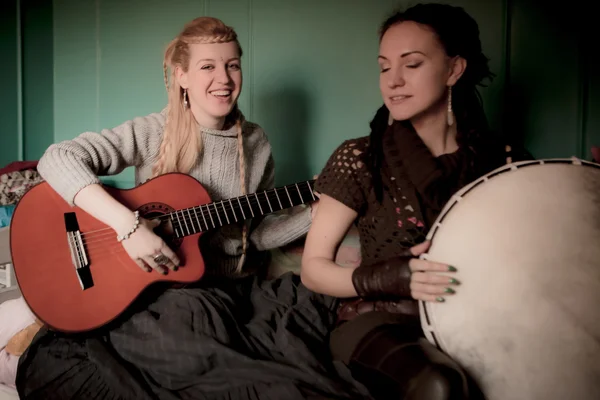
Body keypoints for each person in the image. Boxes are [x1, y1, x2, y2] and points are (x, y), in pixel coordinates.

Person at [16, 17, 371, 400]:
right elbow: (58, 157)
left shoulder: (255, 143)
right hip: (158, 295)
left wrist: (313, 215)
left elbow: (257, 232)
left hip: (215, 293)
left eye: (232, 64)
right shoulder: (154, 131)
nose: (224, 78)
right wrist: (128, 226)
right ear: (182, 76)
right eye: (208, 66)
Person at [301, 3, 532, 400]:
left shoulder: (505, 161)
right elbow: (313, 270)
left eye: (412, 64)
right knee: (438, 386)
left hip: (478, 317)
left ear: (454, 70)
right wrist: (386, 277)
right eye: (384, 66)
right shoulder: (360, 158)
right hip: (379, 323)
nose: (393, 81)